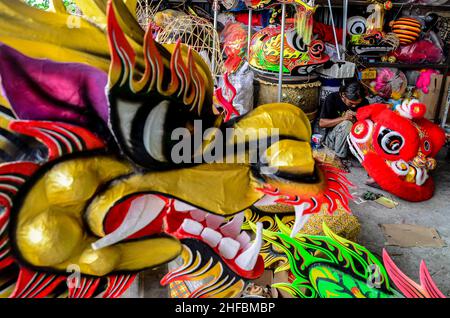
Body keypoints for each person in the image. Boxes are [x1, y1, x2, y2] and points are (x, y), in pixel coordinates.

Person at [319, 80, 369, 159]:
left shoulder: (364, 102)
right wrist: (344, 118)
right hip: (332, 140)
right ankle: (339, 157)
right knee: (347, 124)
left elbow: (367, 124)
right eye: (351, 103)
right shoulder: (332, 98)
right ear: (343, 95)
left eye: (356, 104)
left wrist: (357, 119)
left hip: (352, 140)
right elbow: (322, 123)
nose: (353, 106)